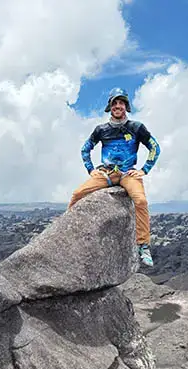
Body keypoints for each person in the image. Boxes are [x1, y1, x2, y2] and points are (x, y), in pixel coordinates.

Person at [68, 87, 161, 267]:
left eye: (121, 103)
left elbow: (154, 147)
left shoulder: (136, 128)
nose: (118, 106)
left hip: (128, 174)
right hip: (106, 173)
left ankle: (143, 245)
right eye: (115, 103)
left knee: (140, 201)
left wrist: (144, 169)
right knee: (77, 194)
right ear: (110, 107)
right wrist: (90, 169)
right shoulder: (101, 130)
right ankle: (66, 234)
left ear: (126, 106)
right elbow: (85, 148)